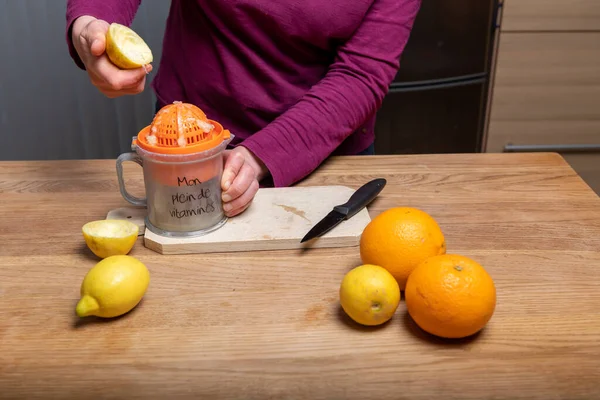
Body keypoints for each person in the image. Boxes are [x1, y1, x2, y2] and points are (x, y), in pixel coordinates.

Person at [66, 0, 420, 217]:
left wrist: (261, 156)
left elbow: (361, 74)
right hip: (193, 136)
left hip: (326, 150)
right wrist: (89, 23)